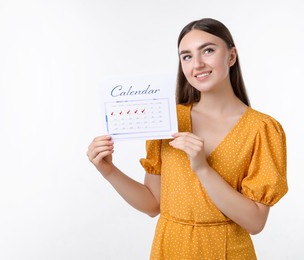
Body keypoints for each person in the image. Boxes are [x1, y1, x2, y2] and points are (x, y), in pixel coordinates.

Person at [87, 18, 288, 259]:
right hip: (169, 248)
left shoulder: (262, 129)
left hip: (227, 252)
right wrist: (108, 171)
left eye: (208, 50)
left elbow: (255, 222)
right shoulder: (167, 120)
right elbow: (153, 205)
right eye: (187, 56)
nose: (198, 64)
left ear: (231, 56)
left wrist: (202, 168)